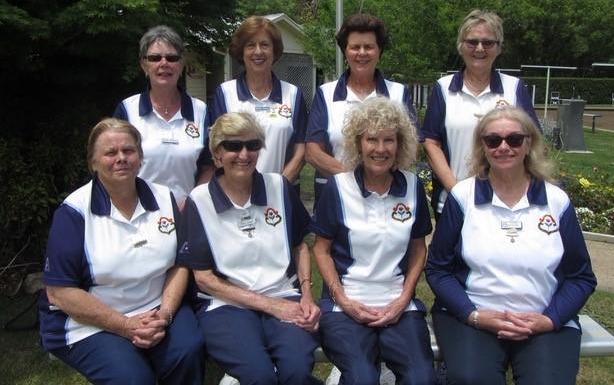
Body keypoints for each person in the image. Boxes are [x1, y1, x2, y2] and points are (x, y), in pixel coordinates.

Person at [426, 106, 596, 385]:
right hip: (474, 318)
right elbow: (438, 269)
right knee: (472, 379)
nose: (503, 147)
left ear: (529, 143)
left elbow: (581, 277)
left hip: (542, 320)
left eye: (514, 139)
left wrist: (550, 320)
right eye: (493, 140)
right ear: (482, 146)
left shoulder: (556, 201)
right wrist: (474, 315)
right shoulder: (462, 197)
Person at [39, 118, 204, 384]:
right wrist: (126, 326)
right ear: (93, 162)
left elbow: (180, 263)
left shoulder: (165, 198)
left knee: (187, 350)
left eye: (128, 150)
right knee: (132, 378)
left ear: (140, 156)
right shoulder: (74, 212)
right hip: (90, 322)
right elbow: (59, 292)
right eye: (110, 153)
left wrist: (164, 315)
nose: (121, 158)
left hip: (156, 307)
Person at [183, 112, 322, 384]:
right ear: (216, 154)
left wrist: (306, 295)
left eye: (253, 145)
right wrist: (271, 306)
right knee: (259, 376)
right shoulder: (199, 201)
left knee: (296, 371)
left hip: (284, 295)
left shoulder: (279, 187)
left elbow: (300, 246)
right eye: (233, 146)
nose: (244, 154)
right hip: (226, 305)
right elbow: (204, 278)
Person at [312, 97, 437, 384]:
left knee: (421, 378)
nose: (380, 149)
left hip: (398, 306)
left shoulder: (412, 186)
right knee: (362, 377)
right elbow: (322, 250)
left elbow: (419, 249)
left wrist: (404, 298)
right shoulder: (339, 188)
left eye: (388, 140)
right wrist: (342, 299)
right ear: (358, 144)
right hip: (346, 305)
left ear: (400, 144)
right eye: (372, 140)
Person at [422, 9, 539, 217]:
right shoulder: (443, 88)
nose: (479, 48)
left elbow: (534, 141)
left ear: (498, 48)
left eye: (488, 42)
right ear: (461, 46)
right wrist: (457, 191)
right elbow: (431, 143)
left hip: (505, 203)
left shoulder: (514, 88)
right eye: (472, 42)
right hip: (453, 201)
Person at [306, 13, 420, 204]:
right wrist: (354, 181)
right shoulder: (325, 94)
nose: (361, 53)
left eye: (368, 47)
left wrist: (376, 181)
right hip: (336, 197)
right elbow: (312, 151)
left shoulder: (399, 93)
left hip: (388, 198)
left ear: (379, 51)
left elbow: (412, 149)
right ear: (345, 52)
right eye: (355, 47)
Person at [114, 25, 213, 207]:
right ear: (144, 65)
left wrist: (192, 204)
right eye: (155, 58)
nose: (164, 63)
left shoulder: (202, 111)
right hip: (139, 213)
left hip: (188, 214)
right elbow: (115, 164)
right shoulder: (127, 110)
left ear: (181, 64)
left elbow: (210, 166)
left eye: (172, 57)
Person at [209, 16, 307, 188]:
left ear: (274, 51)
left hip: (281, 193)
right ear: (242, 51)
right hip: (237, 194)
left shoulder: (293, 94)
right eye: (250, 45)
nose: (258, 51)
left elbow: (301, 150)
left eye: (265, 45)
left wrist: (278, 187)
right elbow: (217, 149)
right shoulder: (225, 93)